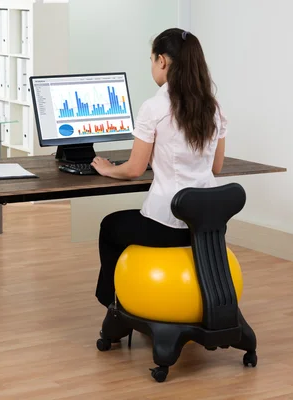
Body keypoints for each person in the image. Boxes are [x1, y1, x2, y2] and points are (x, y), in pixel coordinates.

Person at [90, 28, 228, 320]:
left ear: (163, 62)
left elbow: (135, 169)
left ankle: (114, 308)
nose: (152, 66)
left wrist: (108, 169)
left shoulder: (154, 107)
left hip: (167, 225)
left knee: (110, 226)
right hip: (205, 226)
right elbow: (215, 168)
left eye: (152, 60)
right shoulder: (212, 108)